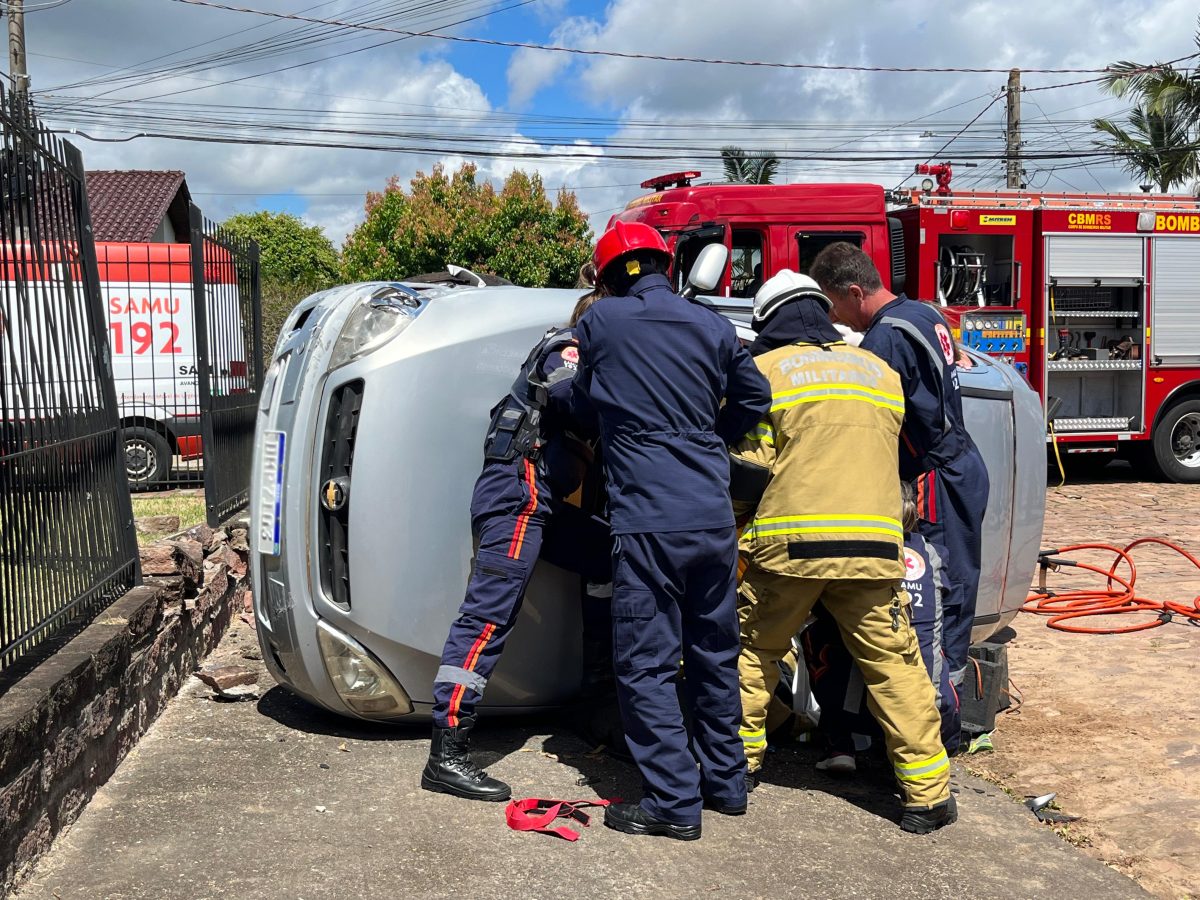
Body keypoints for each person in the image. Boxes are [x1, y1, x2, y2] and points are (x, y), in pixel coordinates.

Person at [731, 269, 957, 834]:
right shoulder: (878, 372)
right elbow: (908, 452)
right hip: (873, 547)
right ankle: (927, 797)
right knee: (894, 665)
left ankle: (737, 770)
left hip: (790, 547)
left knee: (753, 652)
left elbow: (750, 472)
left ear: (769, 325)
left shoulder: (764, 372)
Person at [571, 220, 771, 841]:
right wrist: (710, 432)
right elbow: (755, 398)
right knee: (714, 653)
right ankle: (725, 785)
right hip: (713, 520)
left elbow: (580, 402)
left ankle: (672, 803)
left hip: (648, 521)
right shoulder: (711, 325)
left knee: (647, 665)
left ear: (607, 276)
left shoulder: (599, 324)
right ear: (666, 264)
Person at [422, 288, 612, 802]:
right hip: (519, 495)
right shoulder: (570, 346)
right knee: (488, 615)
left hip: (538, 501)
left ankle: (595, 704)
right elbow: (575, 398)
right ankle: (448, 752)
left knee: (608, 555)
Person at [810, 243, 989, 724]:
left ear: (854, 291)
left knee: (934, 592)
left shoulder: (884, 339)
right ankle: (945, 709)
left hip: (934, 476)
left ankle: (937, 719)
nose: (839, 320)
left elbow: (866, 419)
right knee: (958, 589)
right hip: (962, 463)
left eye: (837, 306)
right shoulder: (922, 313)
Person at [803, 482, 960, 771]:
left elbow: (825, 609)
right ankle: (930, 757)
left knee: (817, 635)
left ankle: (839, 744)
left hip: (861, 710)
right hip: (936, 710)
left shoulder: (858, 550)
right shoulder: (933, 553)